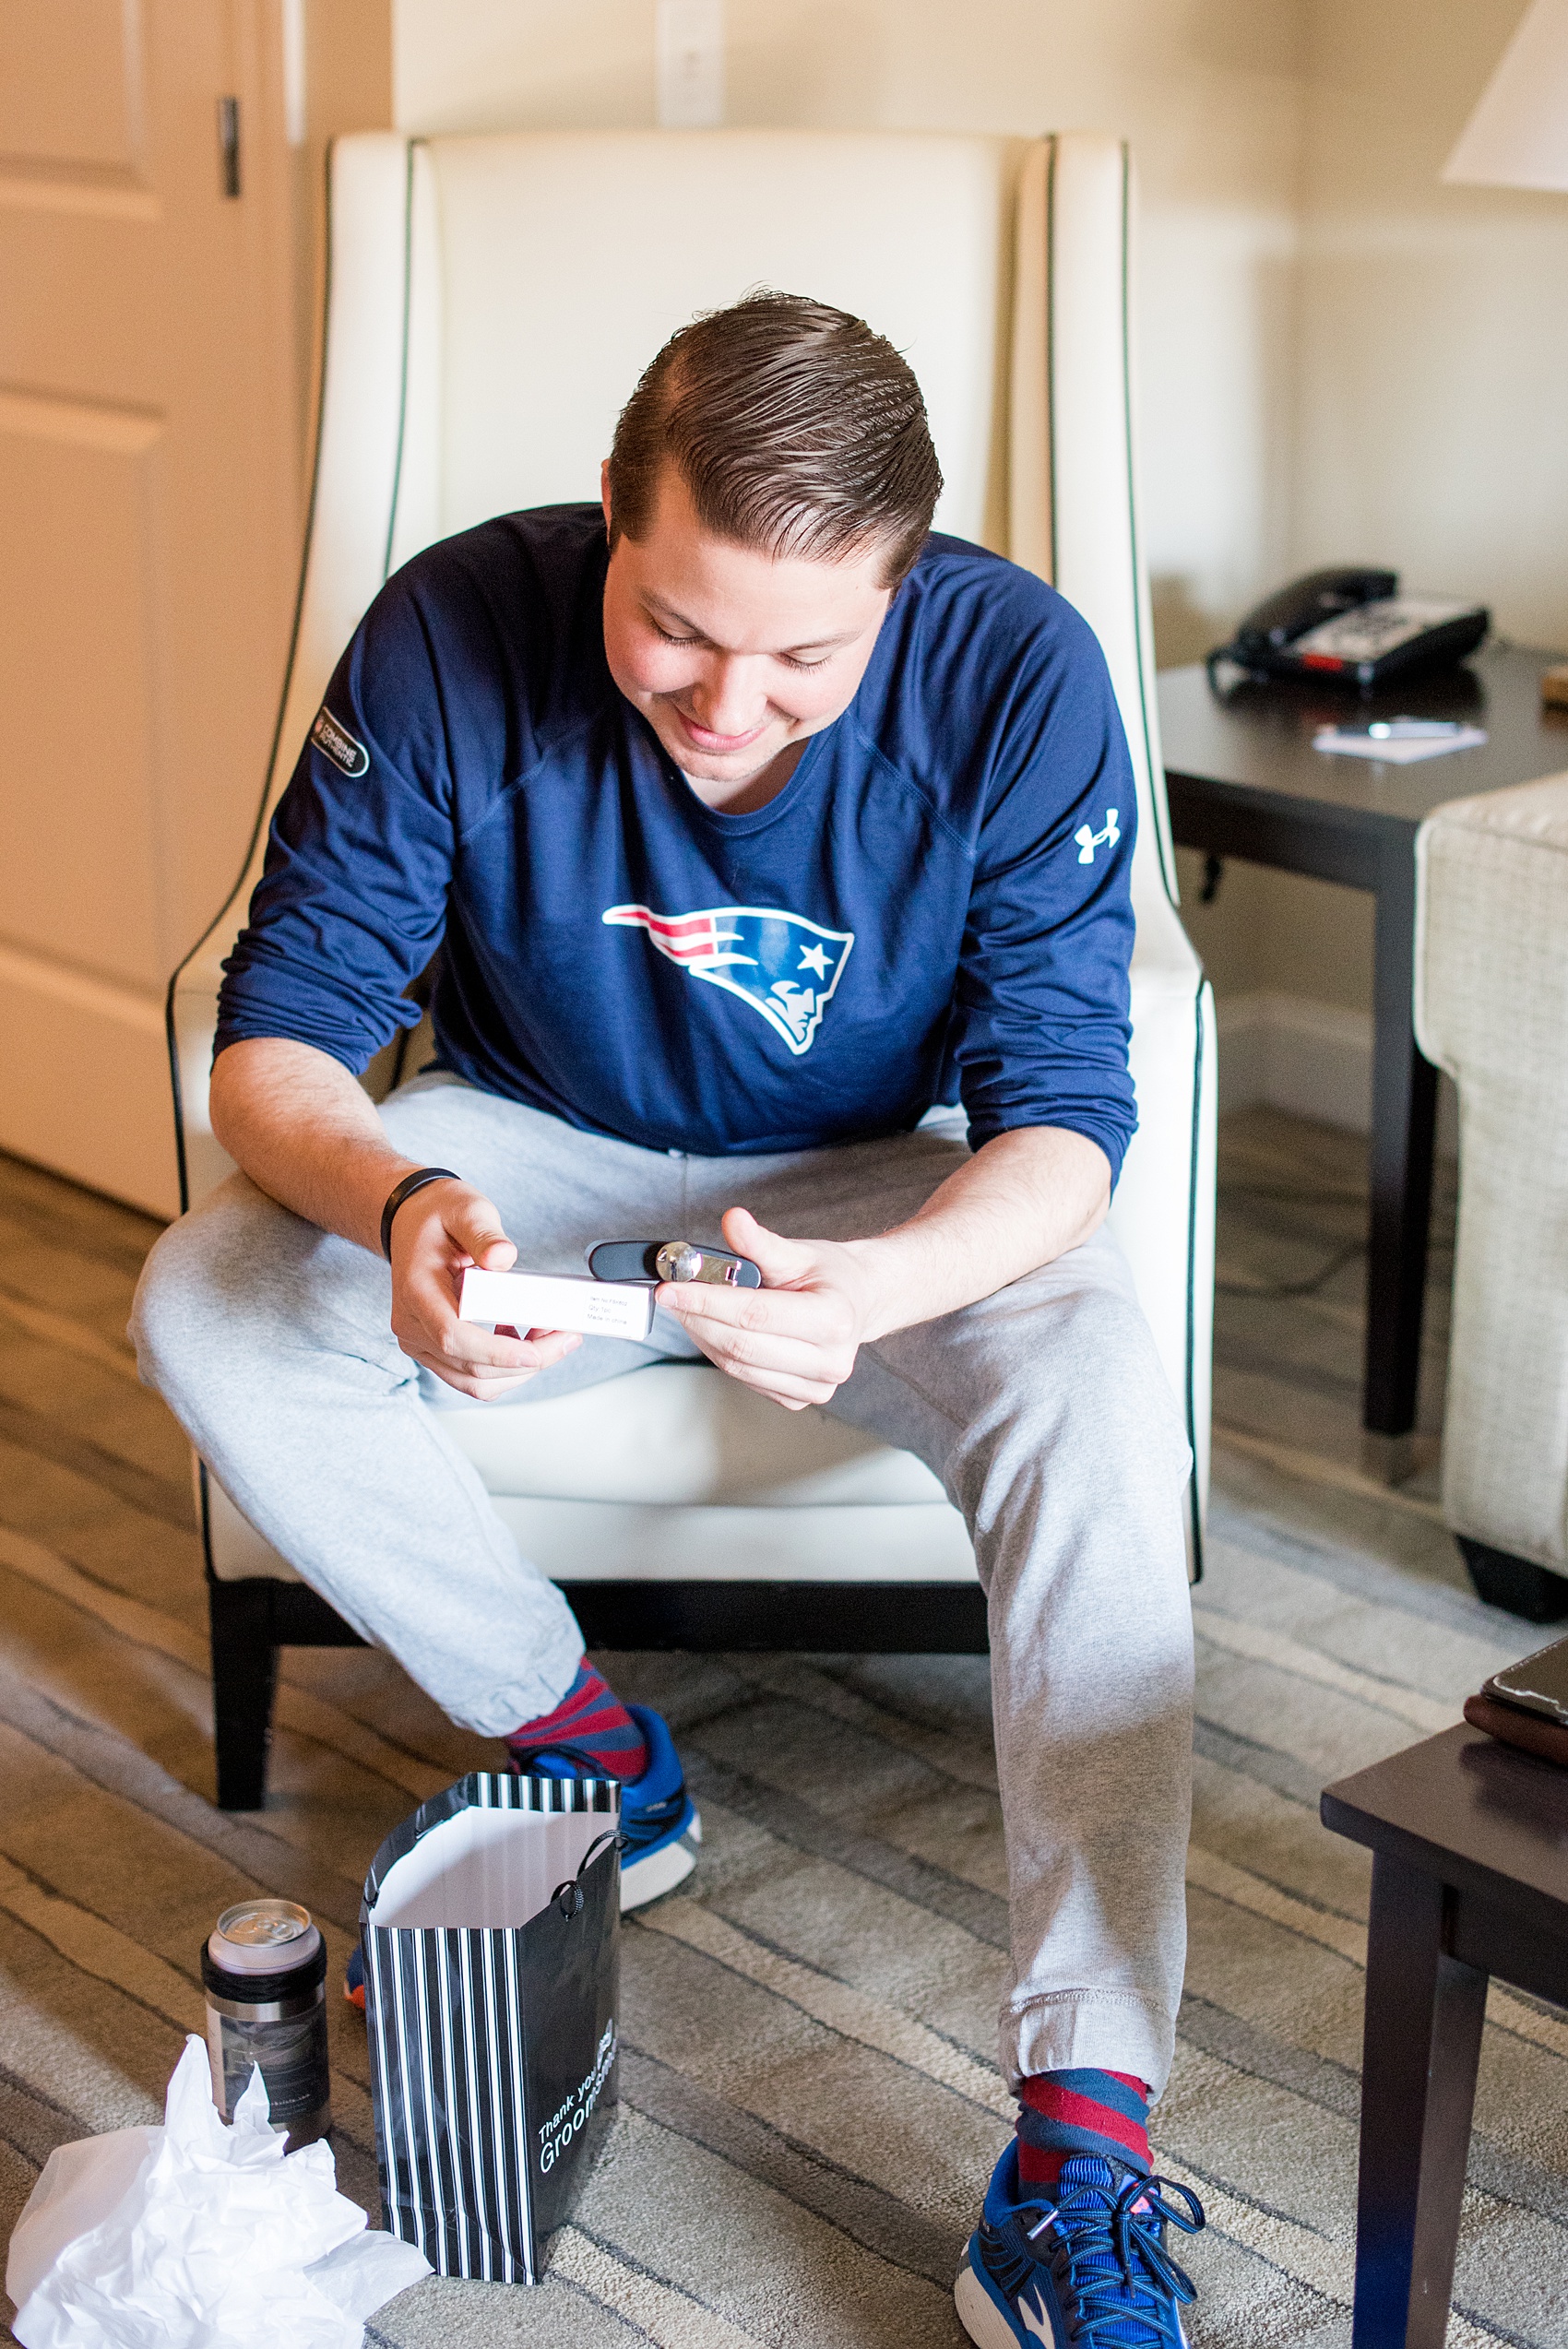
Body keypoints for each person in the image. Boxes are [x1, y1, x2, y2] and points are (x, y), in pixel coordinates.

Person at [133, 290, 1203, 2346]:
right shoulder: (453, 626)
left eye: (807, 652)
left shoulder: (1018, 671)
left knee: (1095, 1364)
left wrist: (884, 1284)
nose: (728, 702)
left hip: (873, 1184)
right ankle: (587, 1743)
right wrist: (407, 1196)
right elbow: (274, 1048)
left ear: (903, 588)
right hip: (531, 1141)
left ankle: (1080, 2137)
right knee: (211, 1292)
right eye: (677, 628)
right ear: (609, 517)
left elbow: (1068, 1119)